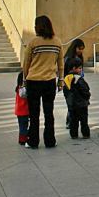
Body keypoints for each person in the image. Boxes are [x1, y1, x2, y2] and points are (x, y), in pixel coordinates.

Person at [22, 15, 63, 149]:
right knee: (48, 112)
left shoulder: (33, 42)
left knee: (34, 114)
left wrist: (24, 80)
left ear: (38, 27)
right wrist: (61, 80)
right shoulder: (57, 42)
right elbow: (60, 64)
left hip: (33, 81)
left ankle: (33, 141)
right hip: (49, 81)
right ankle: (50, 141)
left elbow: (26, 63)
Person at [63, 57, 91, 139]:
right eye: (79, 68)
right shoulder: (79, 79)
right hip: (82, 104)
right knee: (84, 121)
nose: (81, 70)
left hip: (72, 105)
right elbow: (85, 90)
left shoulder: (66, 79)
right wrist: (87, 97)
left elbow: (66, 92)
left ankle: (74, 134)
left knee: (73, 121)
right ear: (74, 68)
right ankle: (85, 134)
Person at [63, 38, 85, 128]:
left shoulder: (80, 57)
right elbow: (64, 72)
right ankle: (70, 122)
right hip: (69, 84)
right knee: (71, 104)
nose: (81, 51)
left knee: (76, 104)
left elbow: (81, 71)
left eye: (82, 49)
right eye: (79, 48)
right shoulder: (68, 58)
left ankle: (73, 121)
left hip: (78, 84)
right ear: (75, 48)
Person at [14, 72, 29, 145]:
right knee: (24, 125)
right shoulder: (24, 90)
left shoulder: (18, 88)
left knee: (21, 125)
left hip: (18, 111)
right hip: (24, 111)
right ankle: (23, 139)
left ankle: (21, 138)